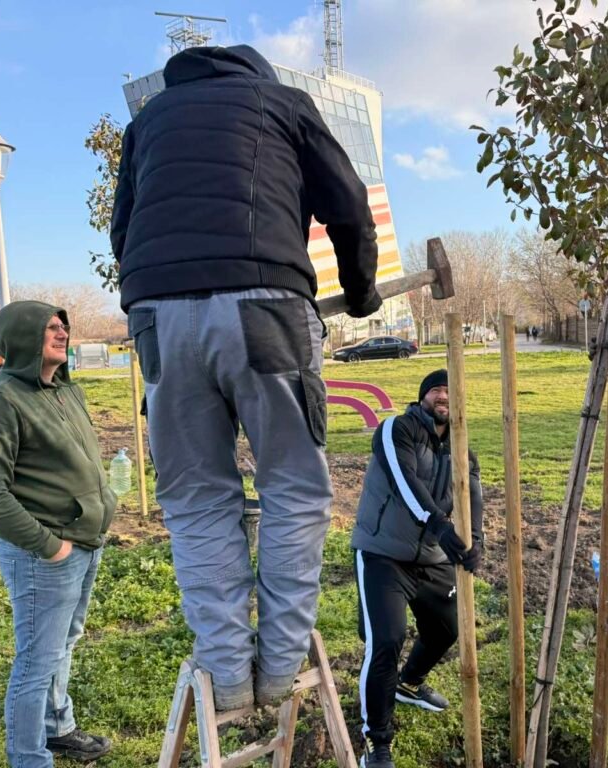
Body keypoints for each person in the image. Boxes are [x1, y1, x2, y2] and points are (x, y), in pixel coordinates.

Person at [110, 44, 381, 710]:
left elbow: (123, 230)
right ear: (255, 73)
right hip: (264, 307)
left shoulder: (148, 122)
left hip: (158, 317)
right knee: (292, 486)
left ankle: (228, 680)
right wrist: (361, 290)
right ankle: (279, 672)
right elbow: (347, 202)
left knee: (196, 498)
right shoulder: (282, 103)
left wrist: (159, 293)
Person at [0, 301, 118, 766]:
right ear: (21, 336)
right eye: (49, 326)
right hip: (44, 555)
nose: (61, 332)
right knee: (35, 663)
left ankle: (57, 727)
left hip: (85, 544)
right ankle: (28, 757)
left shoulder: (65, 391)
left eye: (62, 325)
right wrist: (49, 546)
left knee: (63, 645)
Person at [350, 370, 484, 768]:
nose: (444, 397)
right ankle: (376, 742)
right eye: (437, 390)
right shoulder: (396, 429)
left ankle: (408, 684)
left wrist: (476, 540)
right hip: (382, 554)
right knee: (386, 640)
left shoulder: (462, 448)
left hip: (430, 558)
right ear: (424, 396)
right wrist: (439, 525)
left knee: (447, 628)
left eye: (450, 391)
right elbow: (406, 481)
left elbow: (473, 495)